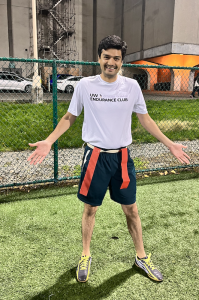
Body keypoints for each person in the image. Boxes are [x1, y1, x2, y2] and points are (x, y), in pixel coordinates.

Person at [27, 35, 190, 283]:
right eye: (107, 57)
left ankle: (141, 257)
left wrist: (169, 144)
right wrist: (49, 141)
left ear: (121, 61)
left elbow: (145, 119)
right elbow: (70, 117)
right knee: (90, 208)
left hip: (123, 158)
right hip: (95, 157)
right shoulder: (85, 86)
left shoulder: (132, 87)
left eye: (116, 58)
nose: (111, 62)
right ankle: (85, 255)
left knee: (131, 210)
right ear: (99, 58)